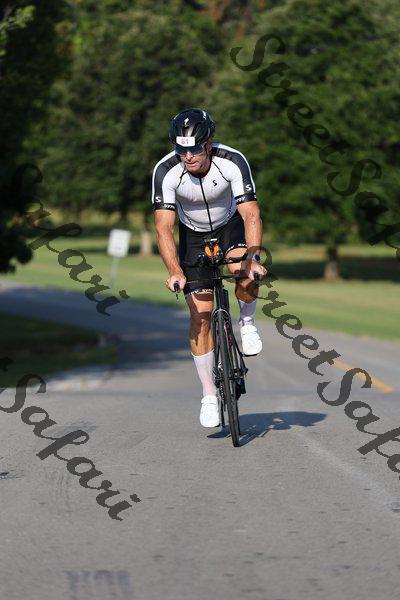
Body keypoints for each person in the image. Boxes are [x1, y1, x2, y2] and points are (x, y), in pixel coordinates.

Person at [151, 108, 267, 428]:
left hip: (229, 227)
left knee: (245, 269)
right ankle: (209, 395)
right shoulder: (166, 171)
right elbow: (163, 228)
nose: (188, 156)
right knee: (200, 315)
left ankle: (247, 323)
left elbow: (251, 215)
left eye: (194, 149)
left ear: (208, 144)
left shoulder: (232, 161)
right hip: (193, 237)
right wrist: (175, 271)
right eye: (181, 149)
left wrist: (253, 258)